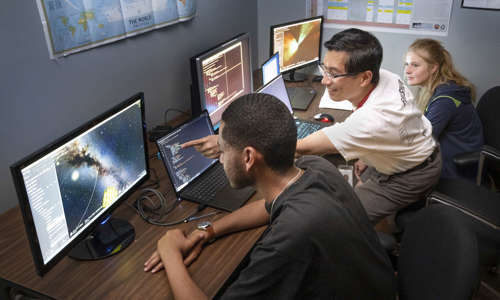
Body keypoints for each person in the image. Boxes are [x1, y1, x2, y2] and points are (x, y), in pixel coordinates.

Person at [144, 93, 396, 299]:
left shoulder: (289, 237)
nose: (219, 158)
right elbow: (268, 207)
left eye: (222, 149)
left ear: (248, 157)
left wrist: (170, 252)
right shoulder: (317, 168)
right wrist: (209, 231)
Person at [295, 28, 442, 224]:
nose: (324, 80)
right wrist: (367, 151)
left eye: (334, 73)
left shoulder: (373, 121)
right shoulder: (385, 76)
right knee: (356, 174)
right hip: (415, 147)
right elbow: (378, 127)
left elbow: (303, 147)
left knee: (340, 220)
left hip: (411, 174)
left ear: (364, 77)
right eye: (325, 69)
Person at [405, 38, 484, 180]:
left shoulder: (445, 101)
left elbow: (420, 143)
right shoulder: (437, 90)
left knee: (386, 173)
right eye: (407, 64)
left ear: (433, 67)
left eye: (415, 65)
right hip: (441, 159)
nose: (407, 70)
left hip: (453, 170)